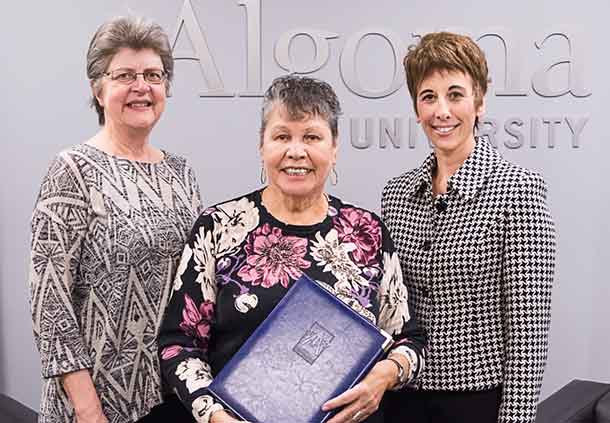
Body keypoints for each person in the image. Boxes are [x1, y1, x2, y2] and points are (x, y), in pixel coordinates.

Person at [157, 75, 426, 423]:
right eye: (282, 136)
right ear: (262, 145)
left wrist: (382, 377)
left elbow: (408, 339)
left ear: (334, 147)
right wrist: (214, 415)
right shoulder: (218, 228)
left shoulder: (367, 232)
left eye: (312, 137)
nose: (296, 151)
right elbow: (179, 344)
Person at [28, 16, 201, 423]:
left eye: (153, 75)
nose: (142, 86)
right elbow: (48, 302)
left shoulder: (181, 172)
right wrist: (87, 407)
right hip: (95, 401)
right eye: (125, 74)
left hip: (169, 395)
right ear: (98, 89)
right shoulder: (72, 170)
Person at [381, 32, 556, 423]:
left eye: (455, 95)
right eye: (429, 97)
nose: (442, 111)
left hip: (476, 401)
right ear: (416, 109)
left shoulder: (518, 190)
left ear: (479, 102)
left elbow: (528, 331)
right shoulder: (396, 194)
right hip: (402, 397)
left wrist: (516, 418)